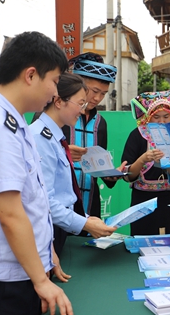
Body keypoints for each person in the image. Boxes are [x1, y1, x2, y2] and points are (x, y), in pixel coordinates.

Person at [0, 31, 73, 315]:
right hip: (2, 288)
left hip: (17, 273)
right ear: (31, 75)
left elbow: (31, 200)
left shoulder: (13, 122)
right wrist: (40, 280)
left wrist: (46, 254)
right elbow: (10, 215)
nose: (56, 93)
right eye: (55, 82)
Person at [30, 73, 117, 256]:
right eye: (80, 103)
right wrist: (85, 223)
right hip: (48, 229)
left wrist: (85, 219)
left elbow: (63, 196)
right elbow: (45, 201)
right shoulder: (40, 138)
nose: (82, 110)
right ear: (59, 101)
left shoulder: (55, 138)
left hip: (59, 226)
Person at [62, 52, 122, 219]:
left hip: (90, 208)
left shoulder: (100, 123)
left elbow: (97, 167)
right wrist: (64, 153)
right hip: (59, 209)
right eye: (94, 91)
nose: (97, 98)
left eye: (103, 93)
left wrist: (110, 175)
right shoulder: (58, 115)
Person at [121, 91, 170, 235]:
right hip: (142, 199)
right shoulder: (137, 135)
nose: (161, 121)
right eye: (156, 117)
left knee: (169, 241)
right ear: (148, 117)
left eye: (166, 116)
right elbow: (126, 175)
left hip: (168, 198)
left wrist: (167, 165)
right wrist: (143, 159)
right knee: (141, 240)